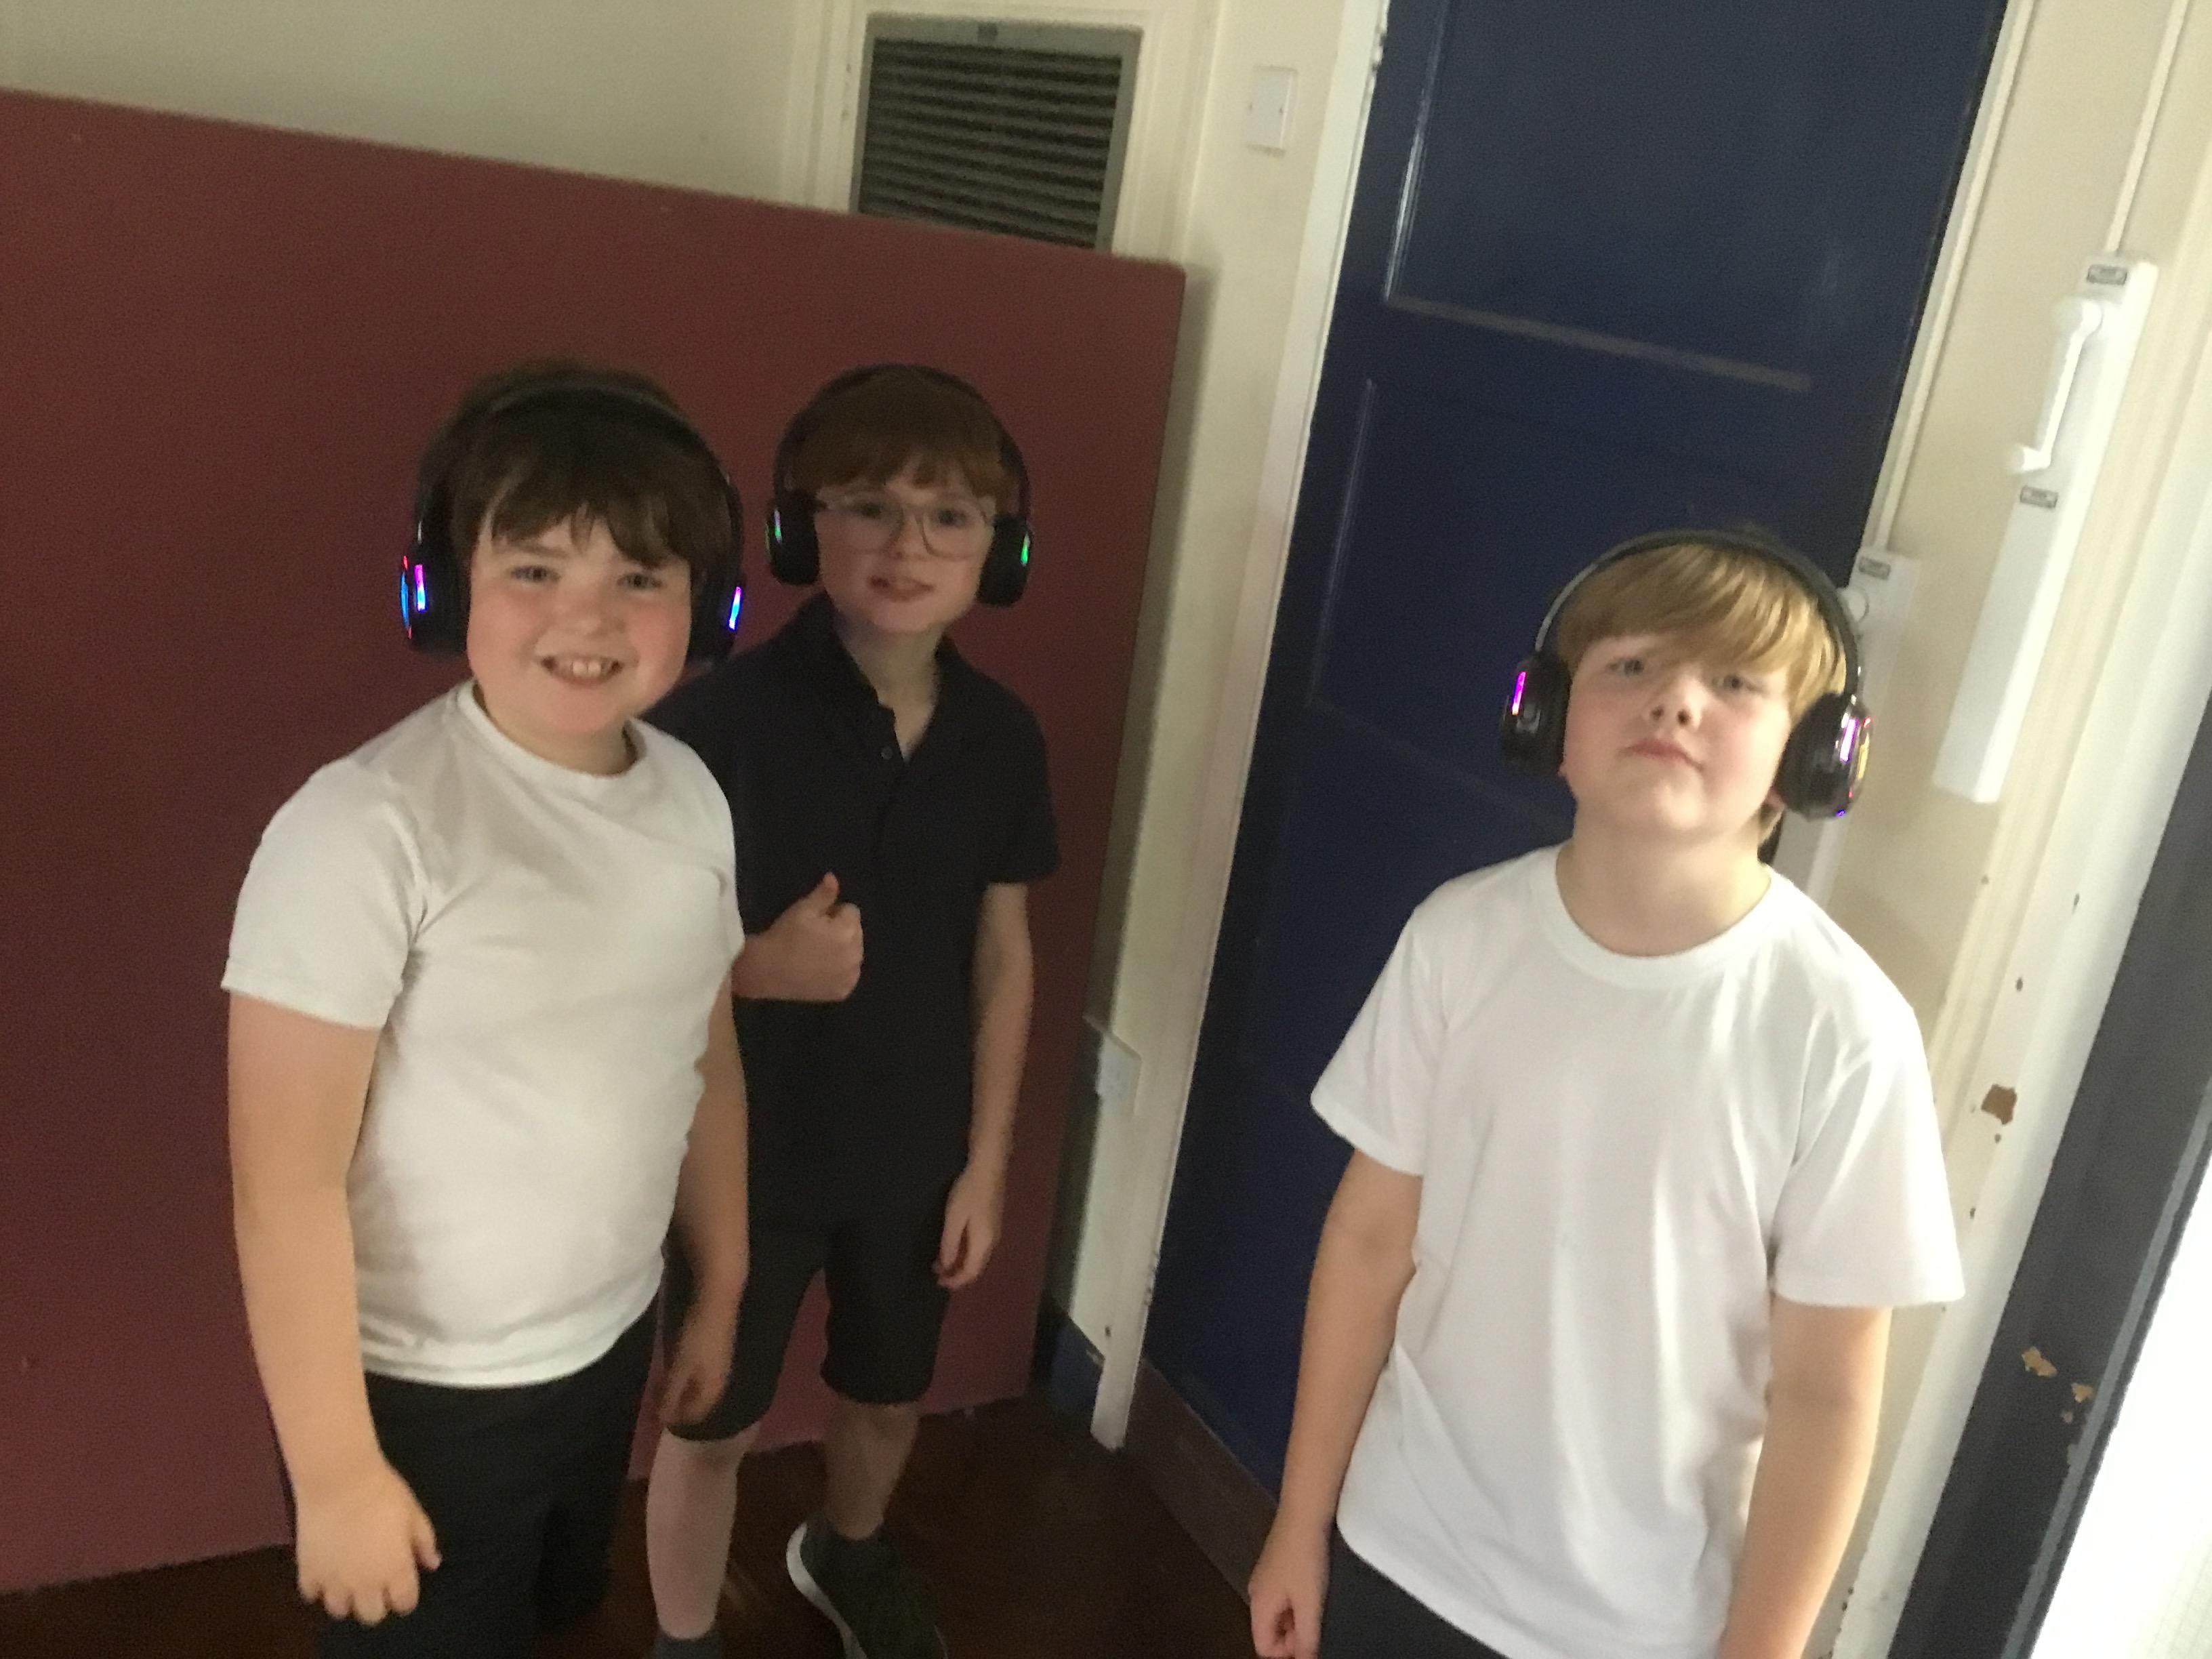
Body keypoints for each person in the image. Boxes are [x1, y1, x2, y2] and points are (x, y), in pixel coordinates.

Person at [1248, 529, 1965, 1659]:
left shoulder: (1843, 1031)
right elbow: (1370, 1242)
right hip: (1401, 1544)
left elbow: (1826, 1397)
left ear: (1816, 755)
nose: (1675, 701)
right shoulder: (1458, 939)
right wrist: (1300, 1521)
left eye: (1735, 682)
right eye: (1630, 665)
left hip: (1638, 1625)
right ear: (1546, 717)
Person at [224, 361, 753, 1657]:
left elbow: (703, 1043)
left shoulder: (693, 796)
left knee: (549, 1617)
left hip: (606, 1342)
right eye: (534, 568)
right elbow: (282, 1183)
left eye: (641, 577)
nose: (589, 616)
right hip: (421, 1395)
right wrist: (337, 1475)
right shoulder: (364, 829)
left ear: (708, 604)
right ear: (446, 586)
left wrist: (723, 1274)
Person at [643, 365, 1057, 1659]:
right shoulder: (712, 726)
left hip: (915, 1153)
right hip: (743, 1160)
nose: (907, 546)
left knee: (887, 1394)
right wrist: (753, 967)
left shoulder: (1003, 739)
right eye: (867, 505)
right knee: (711, 1416)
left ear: (1000, 549)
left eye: (951, 517)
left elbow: (1004, 958)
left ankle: (846, 1549)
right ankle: (684, 1637)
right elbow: (625, 962)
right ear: (795, 530)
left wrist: (986, 1162)